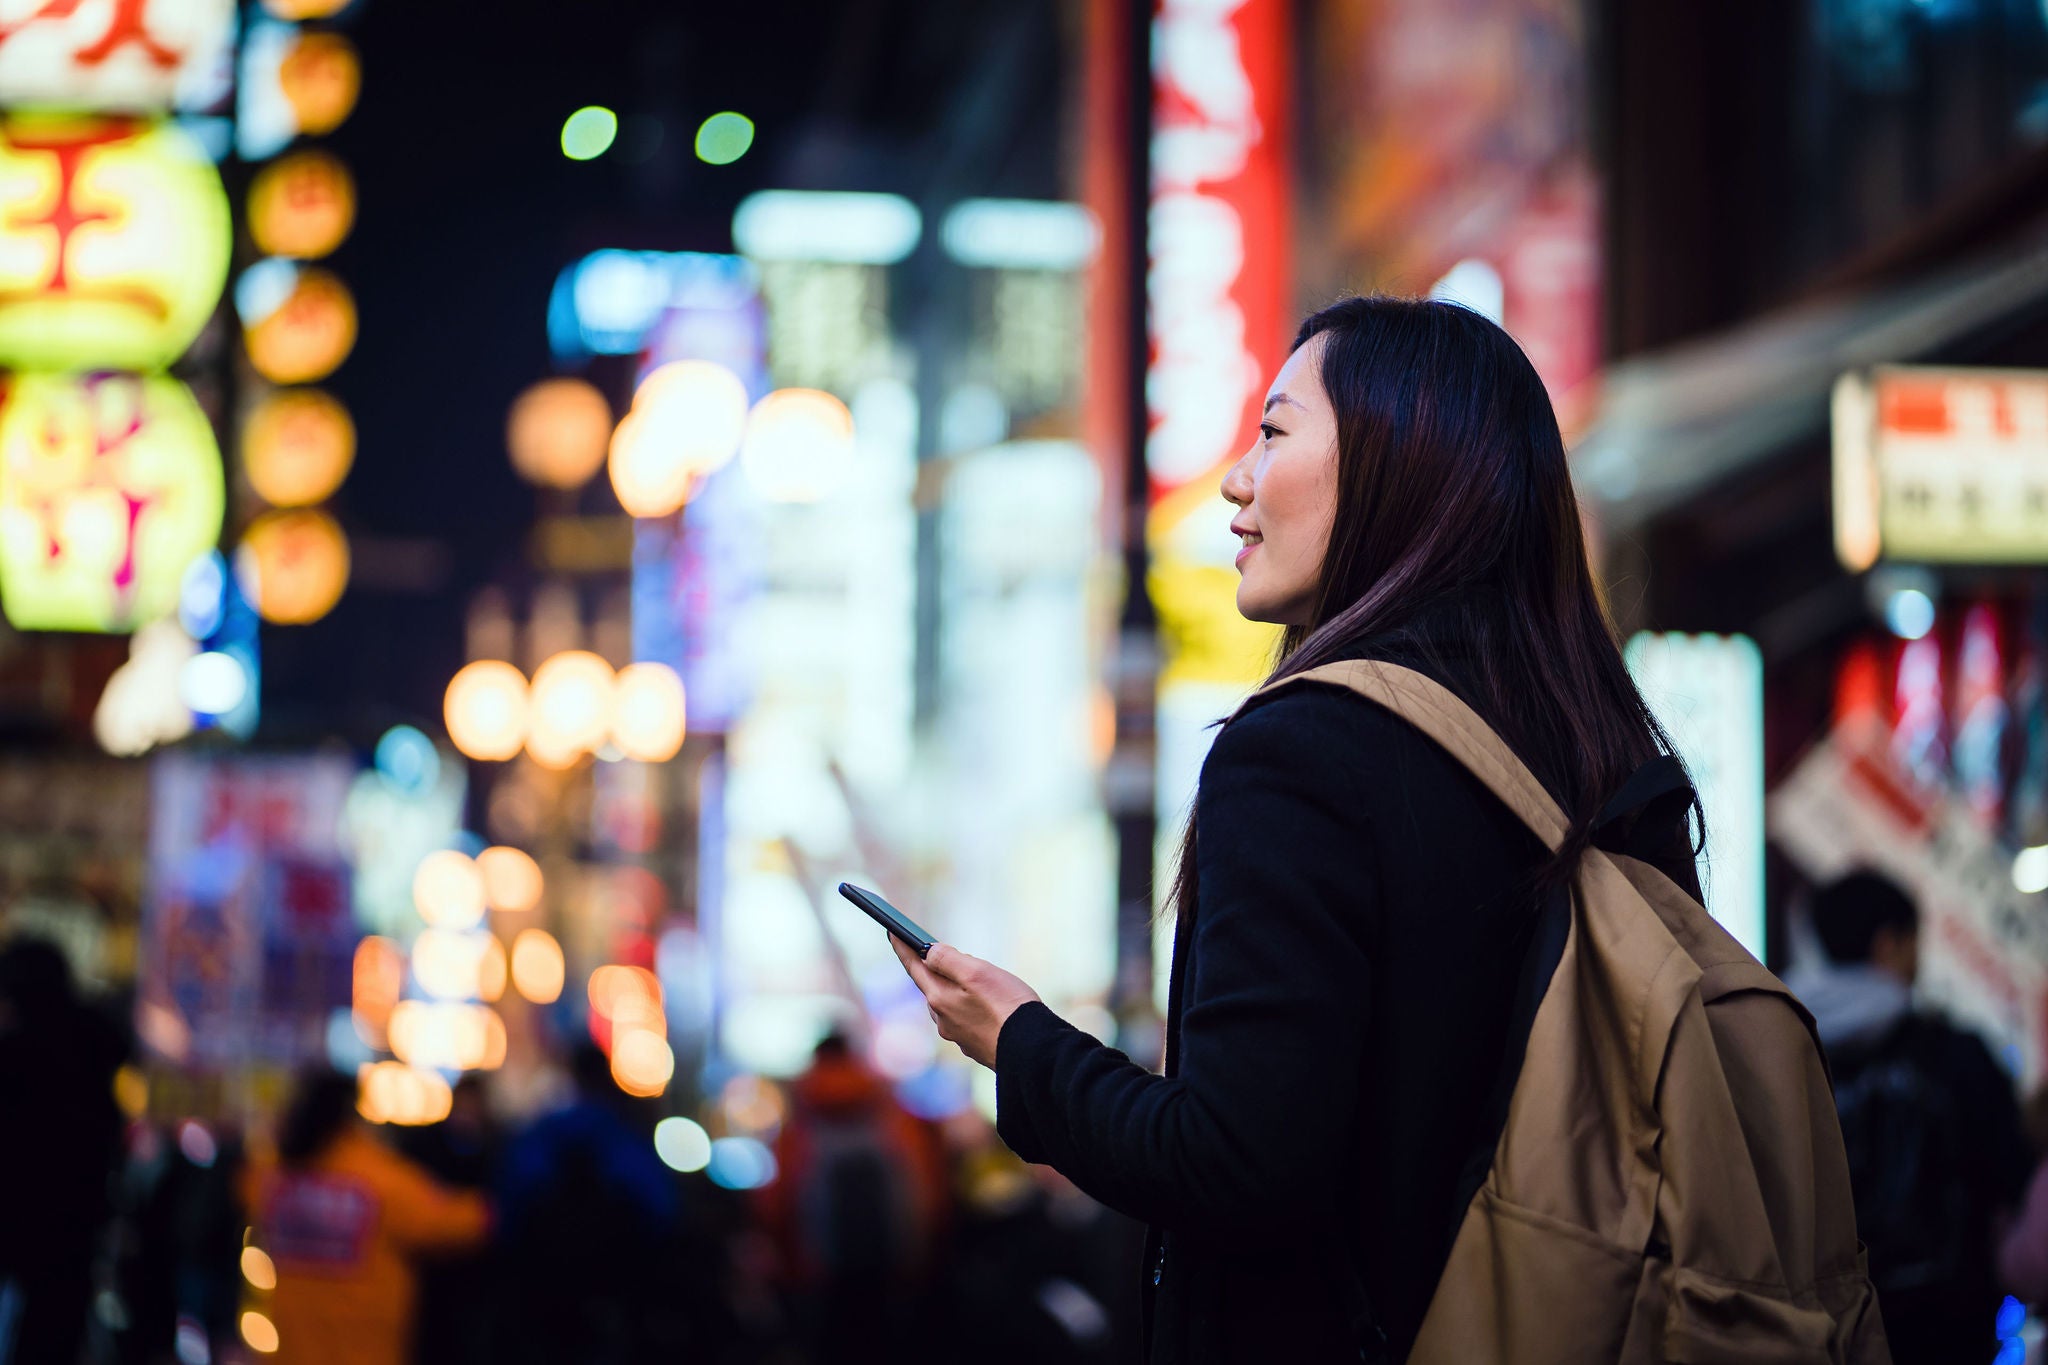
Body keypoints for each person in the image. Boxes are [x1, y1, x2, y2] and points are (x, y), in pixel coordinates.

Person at [890, 297, 1720, 1362]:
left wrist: (1020, 1045)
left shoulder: (1302, 752)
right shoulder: (1597, 752)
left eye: (1274, 433)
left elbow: (1236, 1165)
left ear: (1391, 466)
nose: (1236, 483)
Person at [1789, 870, 2029, 1364]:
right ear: (1888, 943)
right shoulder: (1957, 1057)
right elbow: (2016, 1179)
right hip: (1947, 1333)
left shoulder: (1782, 1049)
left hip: (1821, 1333)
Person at [239, 1068, 490, 1365]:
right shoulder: (379, 1179)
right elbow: (457, 1223)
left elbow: (246, 1189)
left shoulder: (276, 1179)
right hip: (363, 1349)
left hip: (290, 1350)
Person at [757, 1030, 949, 1364]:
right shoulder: (892, 1113)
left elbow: (774, 1208)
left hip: (821, 1277)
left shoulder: (799, 1125)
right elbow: (932, 1193)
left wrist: (788, 1270)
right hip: (896, 1271)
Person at [0, 937, 125, 1365]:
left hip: (19, 1213)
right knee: (53, 1330)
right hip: (74, 1218)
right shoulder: (96, 1048)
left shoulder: (14, 1053)